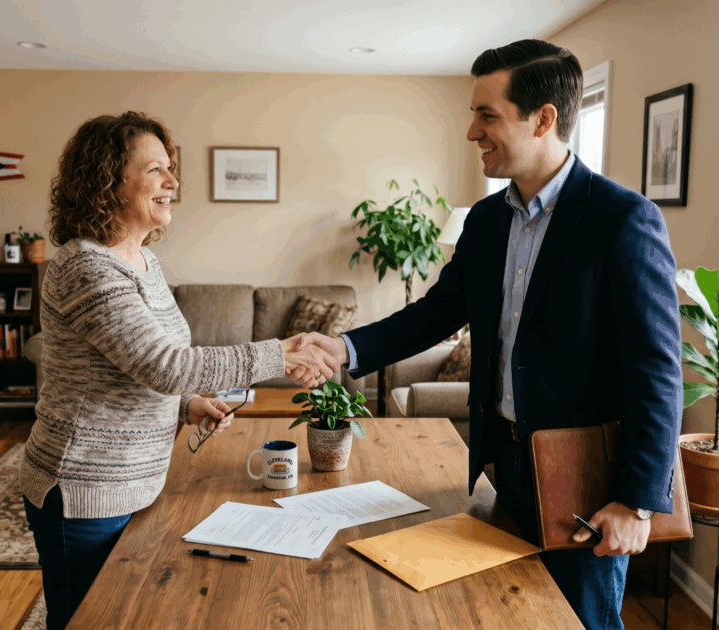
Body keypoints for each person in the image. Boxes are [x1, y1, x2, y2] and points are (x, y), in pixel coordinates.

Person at [290, 40, 682, 630]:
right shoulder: (485, 219)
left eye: (487, 115)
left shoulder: (622, 219)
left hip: (584, 480)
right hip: (505, 464)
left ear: (543, 118)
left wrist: (636, 502)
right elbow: (436, 312)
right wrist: (346, 347)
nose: (473, 131)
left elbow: (657, 371)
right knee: (514, 615)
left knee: (582, 620)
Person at [20, 111, 339, 630]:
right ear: (106, 182)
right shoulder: (84, 266)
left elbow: (139, 368)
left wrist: (187, 405)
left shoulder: (145, 263)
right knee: (83, 621)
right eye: (155, 170)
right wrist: (279, 353)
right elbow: (166, 366)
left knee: (127, 616)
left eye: (170, 168)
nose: (172, 182)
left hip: (137, 482)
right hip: (83, 489)